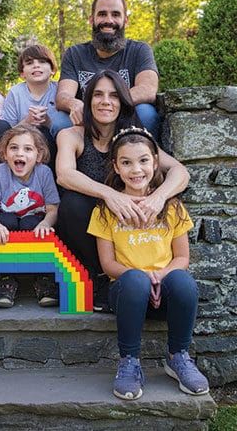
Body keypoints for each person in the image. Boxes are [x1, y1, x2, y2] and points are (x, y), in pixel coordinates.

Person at [87, 126, 209, 400]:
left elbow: (182, 258)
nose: (136, 169)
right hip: (127, 293)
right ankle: (129, 362)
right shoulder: (105, 210)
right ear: (116, 167)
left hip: (164, 290)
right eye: (126, 162)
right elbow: (108, 264)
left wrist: (159, 275)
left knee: (184, 282)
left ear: (155, 163)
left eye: (143, 160)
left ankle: (178, 356)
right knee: (133, 280)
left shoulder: (172, 207)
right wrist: (143, 276)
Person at [55, 69, 190, 312]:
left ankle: (144, 280)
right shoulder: (71, 135)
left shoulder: (133, 140)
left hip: (130, 231)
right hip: (89, 226)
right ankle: (98, 278)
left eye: (114, 96)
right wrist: (110, 195)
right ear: (88, 101)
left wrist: (159, 197)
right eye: (98, 95)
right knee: (72, 203)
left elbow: (180, 171)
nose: (105, 101)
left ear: (123, 102)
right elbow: (64, 174)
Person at [51, 0, 160, 139]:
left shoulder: (140, 50)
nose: (109, 20)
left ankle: (142, 159)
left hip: (125, 115)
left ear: (126, 20)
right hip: (87, 119)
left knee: (146, 113)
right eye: (102, 14)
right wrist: (74, 104)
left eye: (115, 14)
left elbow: (148, 89)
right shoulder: (75, 53)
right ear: (91, 20)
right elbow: (63, 96)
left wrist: (108, 105)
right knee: (59, 122)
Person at [0, 124, 60, 308]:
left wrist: (46, 223)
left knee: (31, 223)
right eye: (14, 148)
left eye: (28, 149)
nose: (20, 154)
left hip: (33, 225)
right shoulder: (1, 172)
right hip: (7, 226)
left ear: (38, 156)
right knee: (5, 220)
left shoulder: (44, 172)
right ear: (5, 153)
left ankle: (41, 277)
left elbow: (53, 209)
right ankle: (7, 279)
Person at [0, 44, 60, 171]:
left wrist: (48, 122)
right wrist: (27, 122)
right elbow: (7, 132)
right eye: (30, 63)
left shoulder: (60, 90)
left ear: (52, 69)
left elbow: (66, 132)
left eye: (42, 62)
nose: (36, 65)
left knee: (43, 133)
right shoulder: (15, 93)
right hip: (20, 148)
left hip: (52, 148)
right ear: (22, 73)